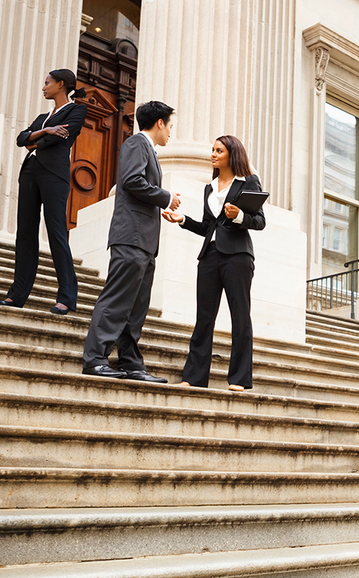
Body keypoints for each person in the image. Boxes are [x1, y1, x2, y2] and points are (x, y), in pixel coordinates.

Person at [82, 100, 181, 382]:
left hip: (145, 240)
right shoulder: (137, 144)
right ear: (159, 123)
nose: (171, 132)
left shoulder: (148, 149)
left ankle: (130, 362)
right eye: (170, 125)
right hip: (131, 236)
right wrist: (166, 197)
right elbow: (132, 181)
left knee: (136, 307)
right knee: (116, 300)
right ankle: (95, 359)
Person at [162, 135, 265, 391]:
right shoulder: (210, 187)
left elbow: (260, 221)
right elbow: (208, 227)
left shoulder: (248, 182)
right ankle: (194, 377)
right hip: (209, 255)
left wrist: (240, 215)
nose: (213, 154)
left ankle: (240, 379)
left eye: (219, 150)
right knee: (204, 318)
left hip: (238, 257)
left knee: (240, 317)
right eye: (212, 150)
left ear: (232, 154)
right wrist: (182, 219)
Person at [0, 69, 87, 315]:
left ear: (61, 84)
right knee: (25, 233)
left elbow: (63, 138)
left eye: (47, 83)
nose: (43, 87)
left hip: (54, 175)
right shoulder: (43, 117)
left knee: (56, 233)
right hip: (30, 172)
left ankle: (67, 297)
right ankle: (16, 296)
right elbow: (21, 139)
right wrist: (45, 132)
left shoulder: (77, 110)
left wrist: (37, 140)